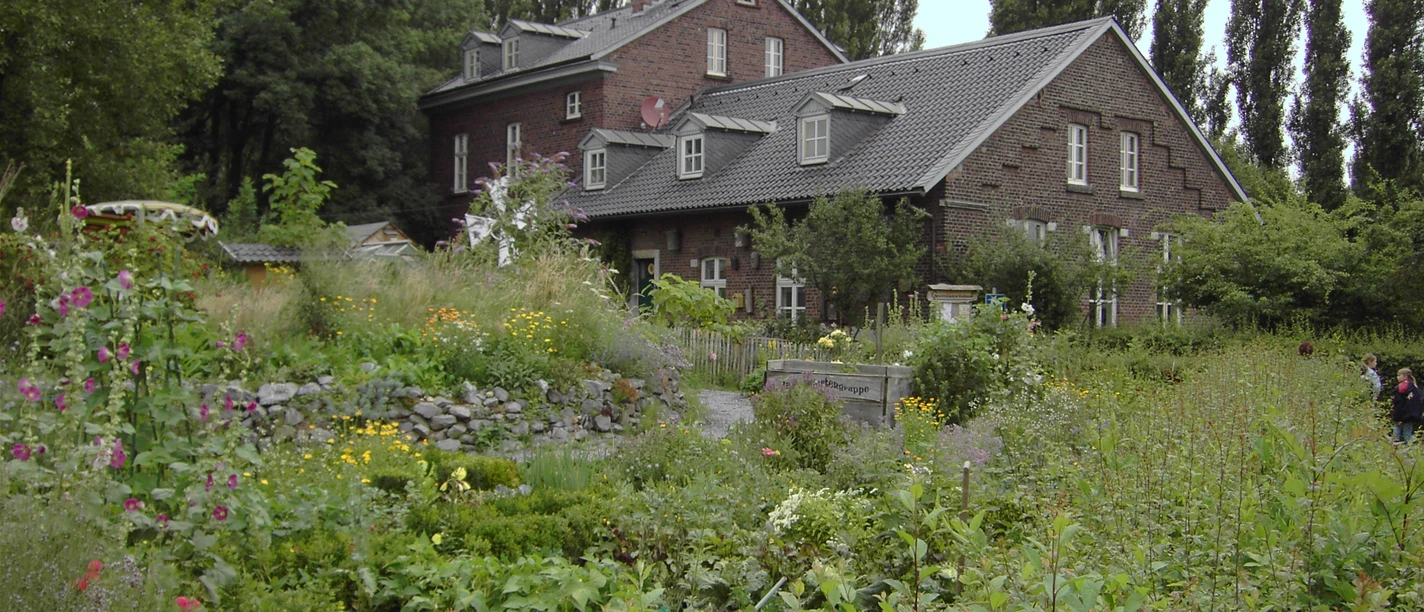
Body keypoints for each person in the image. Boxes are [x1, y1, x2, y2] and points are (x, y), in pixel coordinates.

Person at [1391, 368, 1423, 444]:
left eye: (1399, 375)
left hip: (1400, 415)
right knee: (1407, 433)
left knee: (1396, 434)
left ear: (1405, 376)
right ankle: (1410, 450)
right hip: (1410, 416)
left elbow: (1398, 403)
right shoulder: (1415, 389)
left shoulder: (1399, 388)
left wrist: (1400, 418)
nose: (1397, 377)